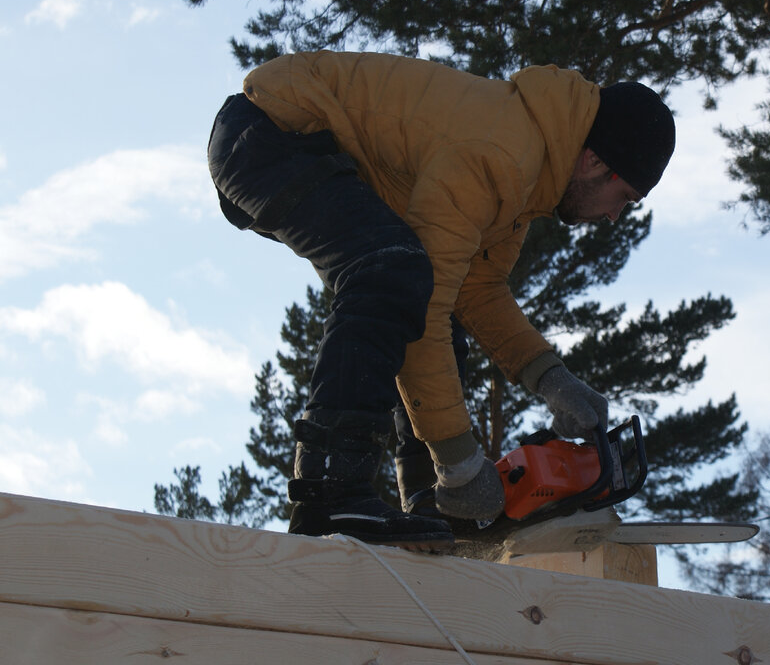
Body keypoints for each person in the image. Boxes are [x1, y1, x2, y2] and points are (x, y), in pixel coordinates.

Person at [206, 51, 675, 549]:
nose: (614, 218)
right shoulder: (501, 154)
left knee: (422, 287)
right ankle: (329, 489)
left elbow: (476, 289)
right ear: (594, 161)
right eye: (624, 197)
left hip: (301, 148)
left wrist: (551, 378)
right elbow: (423, 305)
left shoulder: (530, 179)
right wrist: (463, 461)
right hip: (270, 134)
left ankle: (433, 503)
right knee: (392, 270)